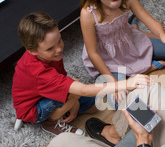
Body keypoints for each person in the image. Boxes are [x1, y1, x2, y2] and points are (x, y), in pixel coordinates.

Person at [12, 12, 152, 136]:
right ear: (32, 51)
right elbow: (83, 90)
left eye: (59, 40)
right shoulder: (39, 72)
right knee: (77, 90)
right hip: (33, 108)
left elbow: (63, 76)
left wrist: (75, 104)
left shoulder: (50, 55)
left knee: (95, 106)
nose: (59, 49)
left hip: (43, 91)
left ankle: (66, 108)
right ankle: (49, 122)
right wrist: (126, 83)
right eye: (50, 48)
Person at [80, 0, 165, 106]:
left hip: (131, 41)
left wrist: (162, 35)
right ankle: (149, 68)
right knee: (119, 100)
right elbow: (93, 53)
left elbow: (148, 20)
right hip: (108, 58)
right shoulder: (88, 13)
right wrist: (114, 84)